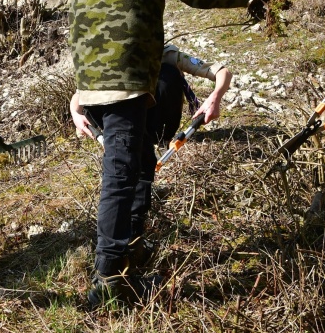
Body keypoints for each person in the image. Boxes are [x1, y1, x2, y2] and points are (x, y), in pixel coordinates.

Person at [65, 0, 275, 308]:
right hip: (124, 82)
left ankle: (130, 254)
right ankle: (109, 283)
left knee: (140, 164)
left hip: (93, 83)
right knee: (121, 177)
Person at [71, 46, 233, 271]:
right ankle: (118, 258)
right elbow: (78, 98)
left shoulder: (164, 53)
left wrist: (215, 97)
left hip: (158, 123)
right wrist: (76, 115)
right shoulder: (110, 57)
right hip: (123, 124)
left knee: (167, 74)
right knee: (131, 169)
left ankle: (127, 246)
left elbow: (222, 72)